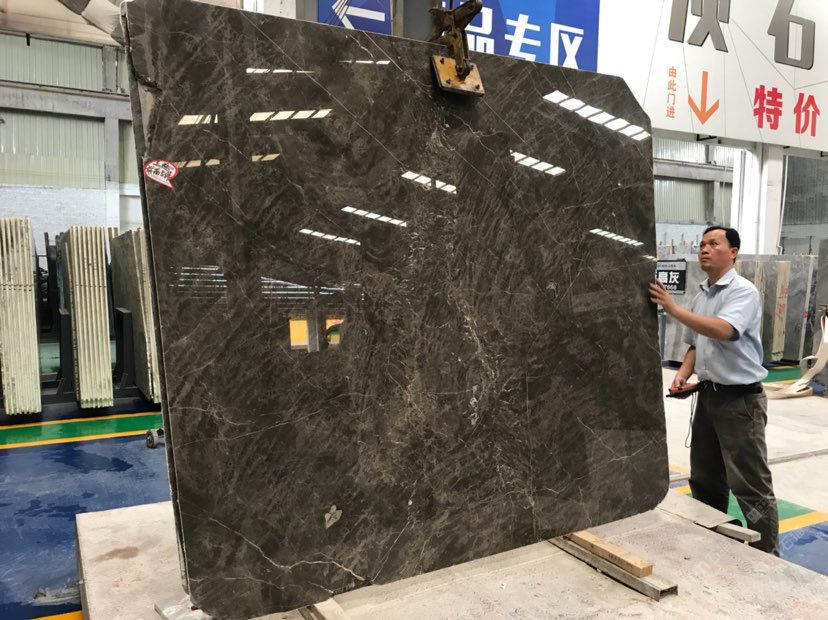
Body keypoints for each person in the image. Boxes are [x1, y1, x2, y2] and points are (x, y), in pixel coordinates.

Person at [649, 226, 779, 555]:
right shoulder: (702, 295)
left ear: (733, 252)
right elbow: (696, 344)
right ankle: (713, 543)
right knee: (706, 479)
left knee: (750, 484)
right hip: (709, 396)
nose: (704, 249)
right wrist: (683, 374)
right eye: (702, 244)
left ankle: (767, 555)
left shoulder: (743, 292)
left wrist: (674, 309)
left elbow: (725, 330)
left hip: (740, 402)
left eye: (713, 244)